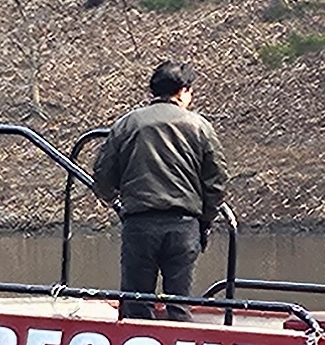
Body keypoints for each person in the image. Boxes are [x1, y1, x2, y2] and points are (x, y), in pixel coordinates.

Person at [87, 61, 225, 320]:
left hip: (139, 223)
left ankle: (137, 341)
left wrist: (114, 200)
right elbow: (216, 181)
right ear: (183, 91)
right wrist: (205, 220)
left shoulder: (127, 124)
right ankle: (181, 339)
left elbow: (103, 174)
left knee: (136, 304)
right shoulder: (199, 126)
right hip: (184, 224)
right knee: (179, 303)